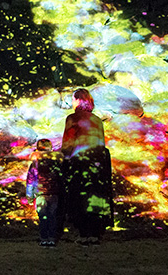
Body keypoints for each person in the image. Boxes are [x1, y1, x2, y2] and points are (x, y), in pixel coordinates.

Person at [61, 88, 113, 245]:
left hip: (80, 162)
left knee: (79, 196)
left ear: (78, 100)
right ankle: (95, 234)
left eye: (73, 99)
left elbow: (68, 144)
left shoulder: (73, 118)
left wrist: (63, 158)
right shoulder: (97, 120)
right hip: (99, 163)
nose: (71, 102)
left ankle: (83, 234)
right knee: (96, 195)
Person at [25, 138, 65, 247]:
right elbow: (61, 177)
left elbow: (30, 180)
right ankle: (52, 239)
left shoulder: (35, 162)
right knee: (52, 216)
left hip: (40, 193)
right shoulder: (57, 160)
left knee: (43, 217)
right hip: (54, 193)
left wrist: (29, 196)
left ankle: (43, 239)